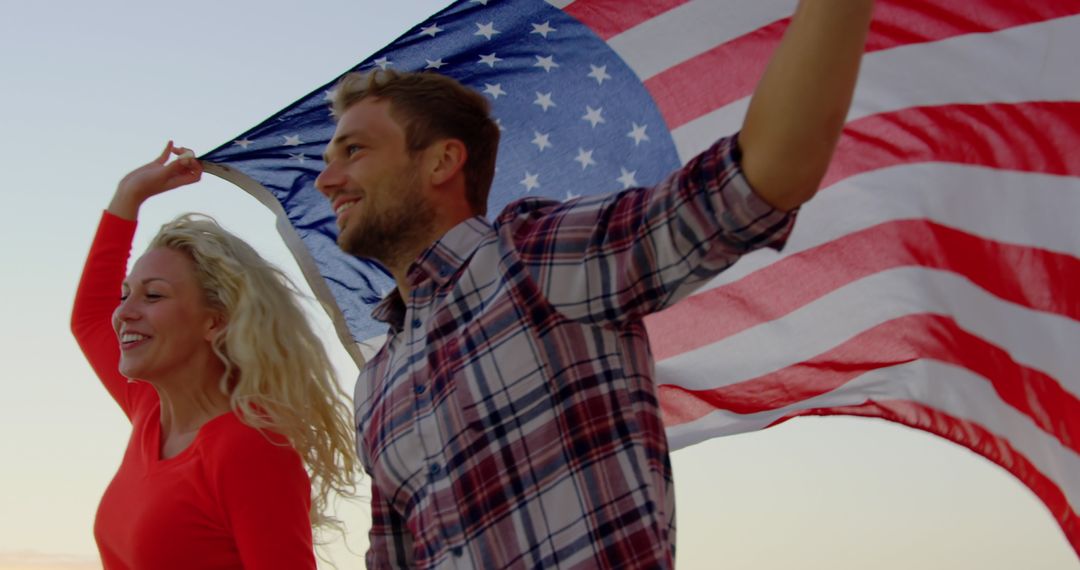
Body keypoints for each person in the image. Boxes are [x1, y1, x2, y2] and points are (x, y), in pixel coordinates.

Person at [315, 1, 875, 567]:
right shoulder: (376, 386)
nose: (326, 180)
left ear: (441, 162)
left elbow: (752, 187)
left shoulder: (531, 257)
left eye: (354, 151)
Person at [71, 143, 358, 569]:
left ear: (215, 322)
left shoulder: (248, 446)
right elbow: (91, 317)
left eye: (153, 296)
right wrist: (128, 196)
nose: (124, 313)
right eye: (126, 294)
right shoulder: (150, 412)